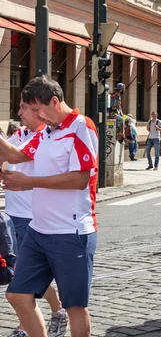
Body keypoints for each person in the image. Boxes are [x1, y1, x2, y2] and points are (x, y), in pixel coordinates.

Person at [0, 76, 98, 337]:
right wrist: (23, 184)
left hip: (71, 231)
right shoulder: (45, 131)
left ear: (54, 101)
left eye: (36, 110)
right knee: (17, 295)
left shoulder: (81, 126)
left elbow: (80, 179)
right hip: (38, 230)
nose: (34, 116)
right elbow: (18, 156)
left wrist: (29, 181)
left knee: (74, 306)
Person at [3, 100, 68, 337]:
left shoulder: (43, 137)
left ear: (39, 111)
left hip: (32, 216)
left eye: (23, 107)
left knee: (23, 274)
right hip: (13, 213)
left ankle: (29, 325)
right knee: (23, 273)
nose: (18, 112)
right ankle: (55, 310)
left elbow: (15, 155)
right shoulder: (20, 133)